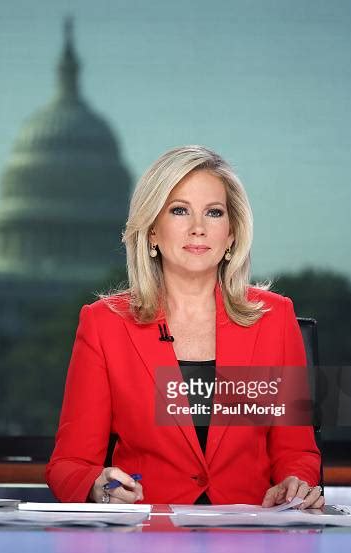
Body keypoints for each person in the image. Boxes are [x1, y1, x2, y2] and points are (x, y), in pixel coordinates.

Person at [46, 145, 324, 509]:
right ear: (151, 233)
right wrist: (99, 486)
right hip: (147, 544)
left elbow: (296, 451)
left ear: (231, 234)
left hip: (250, 541)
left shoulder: (274, 319)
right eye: (179, 211)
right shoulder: (105, 325)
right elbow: (69, 465)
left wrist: (295, 485)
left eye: (214, 212)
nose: (198, 228)